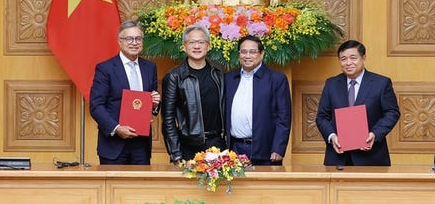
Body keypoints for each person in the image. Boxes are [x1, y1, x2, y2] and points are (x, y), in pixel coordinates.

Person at [315, 40, 400, 166]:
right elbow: (322, 117)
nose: (348, 63)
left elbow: (392, 112)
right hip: (338, 158)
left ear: (363, 58)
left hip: (371, 157)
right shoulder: (331, 84)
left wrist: (375, 134)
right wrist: (332, 136)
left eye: (353, 58)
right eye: (343, 59)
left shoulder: (381, 83)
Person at [89, 20, 161, 165]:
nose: (134, 42)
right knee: (113, 187)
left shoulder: (150, 68)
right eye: (129, 38)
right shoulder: (105, 68)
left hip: (141, 145)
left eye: (138, 38)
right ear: (120, 42)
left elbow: (152, 108)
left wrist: (155, 103)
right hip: (113, 144)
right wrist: (116, 128)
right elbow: (96, 105)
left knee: (140, 187)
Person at [161, 24, 225, 163]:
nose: (197, 46)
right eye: (192, 42)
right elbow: (168, 119)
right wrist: (175, 153)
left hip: (217, 144)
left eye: (201, 42)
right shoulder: (174, 76)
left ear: (208, 46)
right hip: (188, 147)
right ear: (184, 46)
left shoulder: (218, 71)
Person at [225, 35, 291, 165]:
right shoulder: (228, 78)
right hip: (234, 149)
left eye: (252, 52)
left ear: (262, 54)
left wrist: (278, 148)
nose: (247, 56)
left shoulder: (276, 79)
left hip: (266, 151)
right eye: (243, 52)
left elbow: (284, 117)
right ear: (239, 54)